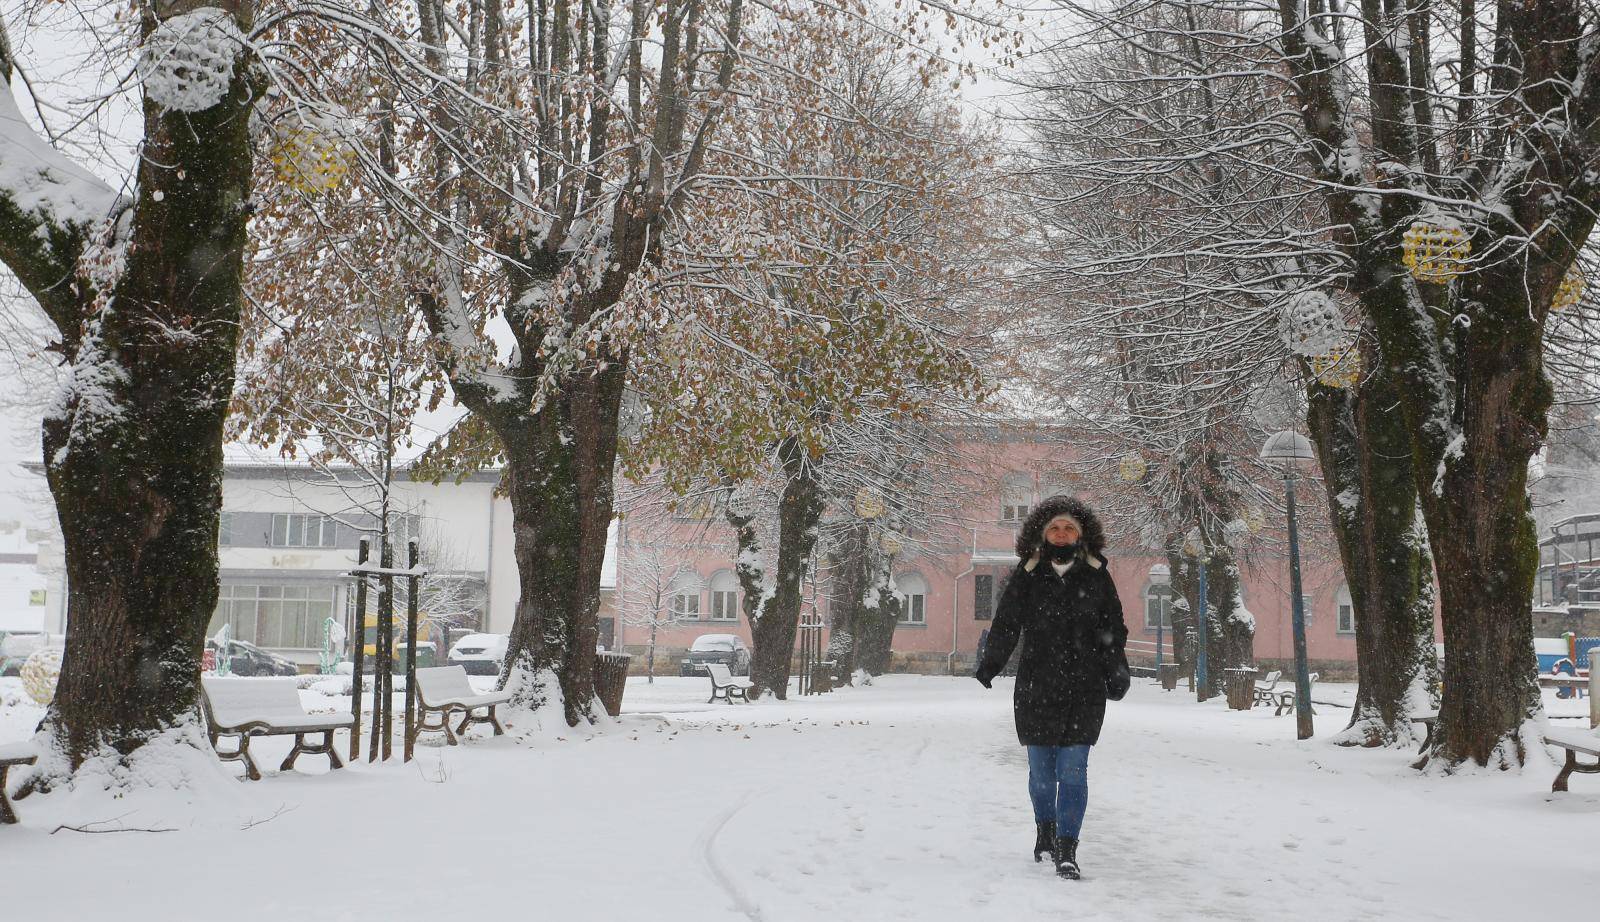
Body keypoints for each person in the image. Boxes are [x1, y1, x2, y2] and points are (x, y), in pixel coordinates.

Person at [974, 495, 1130, 880]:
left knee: (1074, 770)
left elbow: (1113, 628)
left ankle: (1067, 848)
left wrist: (1117, 670)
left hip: (1084, 687)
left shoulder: (1096, 575)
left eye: (1069, 528)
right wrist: (991, 663)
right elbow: (1007, 622)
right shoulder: (1027, 575)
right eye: (1055, 528)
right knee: (1042, 774)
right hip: (1037, 686)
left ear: (1082, 533)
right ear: (1042, 534)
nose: (1062, 535)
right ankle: (1044, 828)